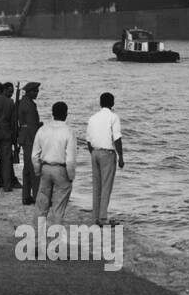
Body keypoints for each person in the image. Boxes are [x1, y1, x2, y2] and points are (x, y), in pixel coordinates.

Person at [31, 100, 77, 225]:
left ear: (52, 113)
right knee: (59, 207)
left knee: (41, 206)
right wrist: (71, 176)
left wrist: (37, 170)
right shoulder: (68, 131)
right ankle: (56, 239)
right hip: (61, 169)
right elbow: (70, 159)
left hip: (45, 168)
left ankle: (36, 238)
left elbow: (35, 155)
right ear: (66, 114)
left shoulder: (43, 129)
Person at [85, 91, 124, 226]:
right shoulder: (114, 117)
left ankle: (96, 217)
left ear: (100, 103)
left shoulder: (93, 118)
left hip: (94, 152)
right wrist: (121, 157)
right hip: (107, 153)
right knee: (106, 186)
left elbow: (88, 141)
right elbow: (117, 139)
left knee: (97, 186)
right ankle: (103, 218)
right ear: (112, 103)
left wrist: (93, 153)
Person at [17, 82, 42, 204]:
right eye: (35, 91)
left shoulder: (22, 102)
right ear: (30, 92)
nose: (37, 93)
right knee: (34, 169)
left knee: (27, 168)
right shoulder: (30, 105)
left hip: (24, 136)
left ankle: (26, 196)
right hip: (30, 139)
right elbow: (32, 126)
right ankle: (37, 196)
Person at [0, 81, 17, 192]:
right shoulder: (10, 102)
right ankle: (7, 185)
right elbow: (13, 121)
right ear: (4, 90)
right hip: (6, 133)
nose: (11, 94)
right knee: (6, 160)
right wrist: (14, 135)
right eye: (10, 92)